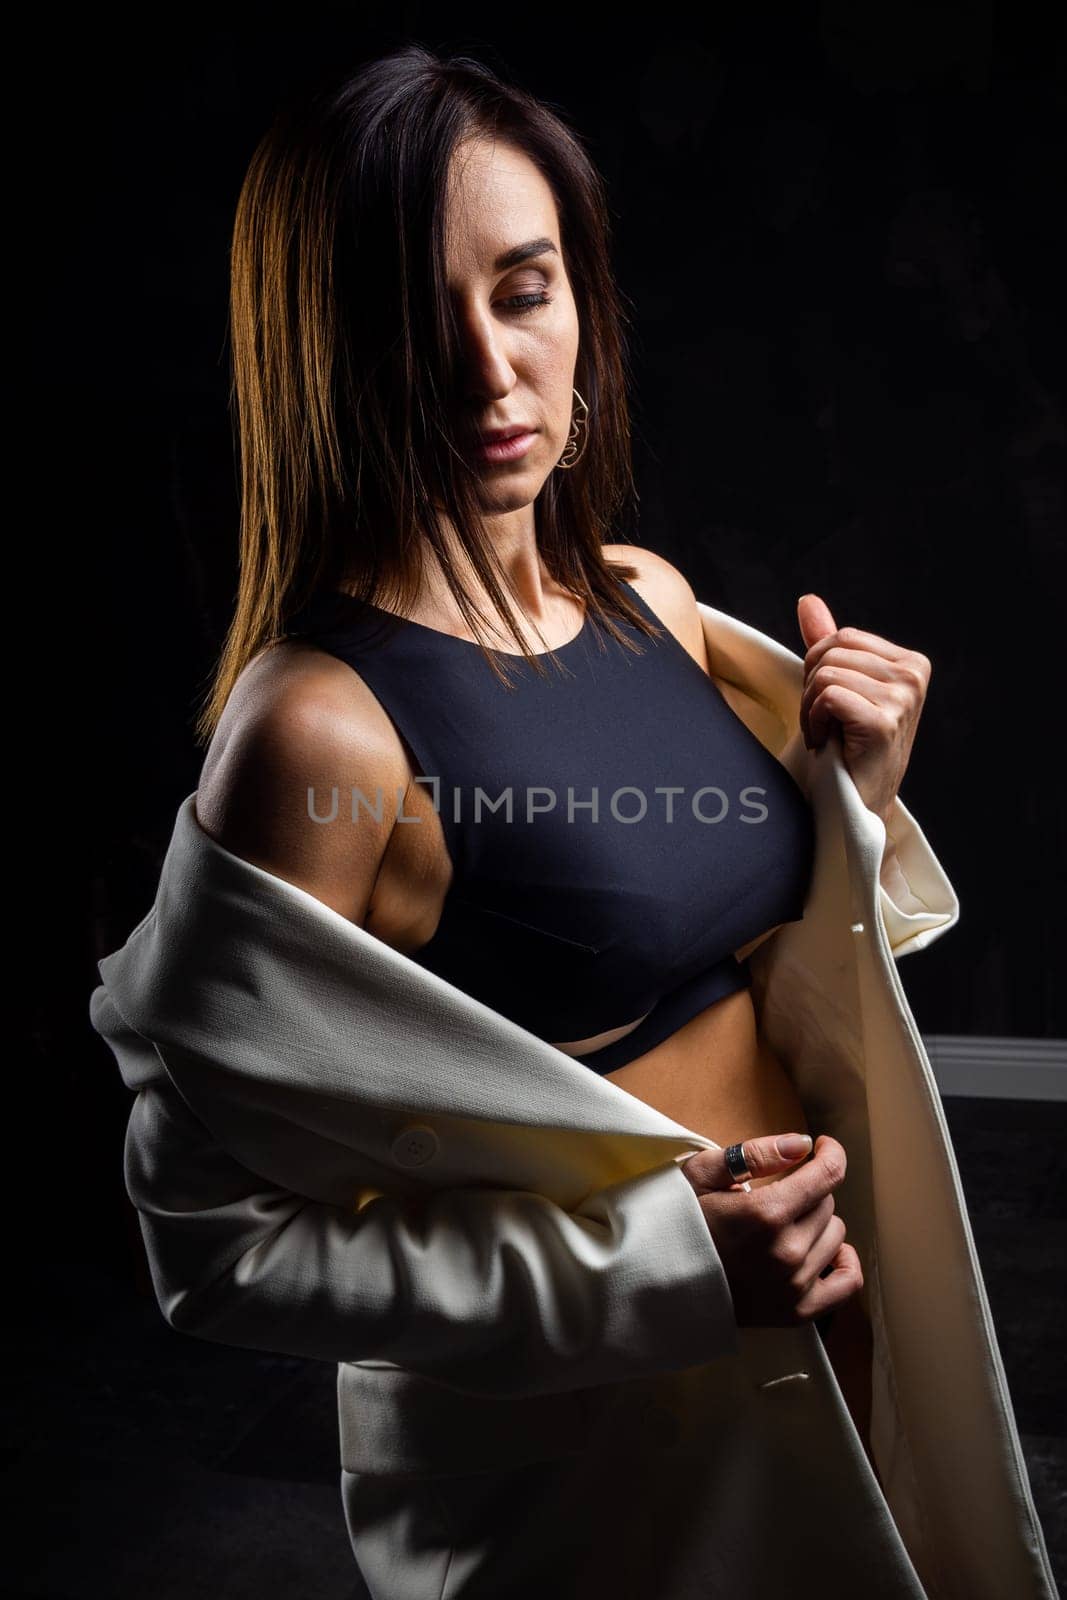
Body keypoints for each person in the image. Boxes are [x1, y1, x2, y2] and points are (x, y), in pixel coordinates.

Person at [118, 44, 1020, 1599]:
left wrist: (850, 803)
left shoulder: (647, 603)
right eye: (413, 321)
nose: (486, 370)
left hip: (830, 1331)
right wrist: (670, 1272)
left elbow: (773, 957)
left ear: (581, 303)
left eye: (522, 290)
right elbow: (214, 1244)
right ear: (323, 354)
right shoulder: (318, 731)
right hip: (596, 1456)